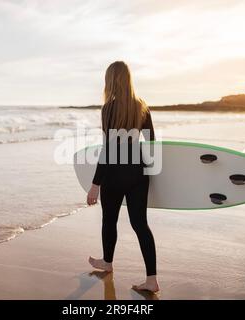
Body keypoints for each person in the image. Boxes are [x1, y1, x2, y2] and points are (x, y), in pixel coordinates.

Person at [86, 61, 159, 293]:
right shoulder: (141, 106)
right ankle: (152, 279)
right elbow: (151, 143)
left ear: (110, 80)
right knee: (140, 224)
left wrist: (95, 184)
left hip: (114, 175)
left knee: (109, 220)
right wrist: (147, 170)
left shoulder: (108, 108)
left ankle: (107, 263)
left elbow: (109, 149)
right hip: (138, 173)